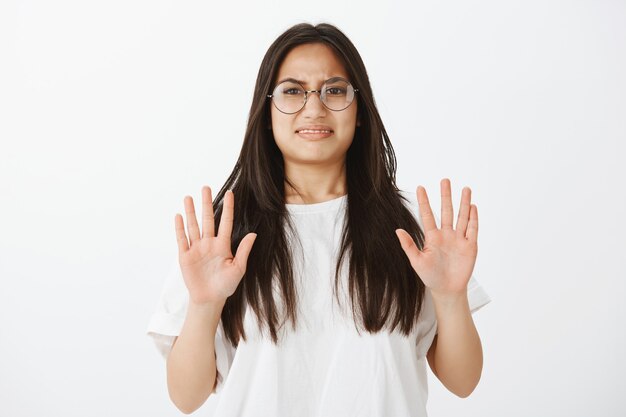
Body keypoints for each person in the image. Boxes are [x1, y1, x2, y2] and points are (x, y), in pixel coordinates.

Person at [147, 22, 490, 416]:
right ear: (266, 110)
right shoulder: (223, 233)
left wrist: (450, 298)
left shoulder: (410, 227)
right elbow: (185, 397)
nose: (314, 107)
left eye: (335, 90)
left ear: (359, 110)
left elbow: (463, 382)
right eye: (293, 91)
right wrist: (205, 305)